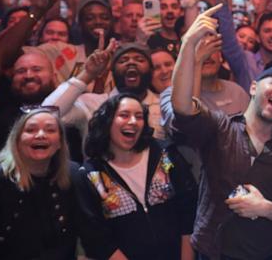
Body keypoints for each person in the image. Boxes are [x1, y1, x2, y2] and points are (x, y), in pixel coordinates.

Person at [165, 6, 272, 260]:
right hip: (215, 252)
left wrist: (266, 208)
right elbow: (183, 107)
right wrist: (188, 46)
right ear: (253, 87)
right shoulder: (221, 128)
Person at [73, 94, 197, 260]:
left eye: (139, 117)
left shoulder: (165, 155)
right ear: (107, 121)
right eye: (124, 115)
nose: (132, 121)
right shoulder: (90, 175)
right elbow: (97, 239)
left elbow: (188, 210)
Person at [0, 107, 79, 259]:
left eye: (50, 130)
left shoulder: (73, 175)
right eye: (31, 130)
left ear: (60, 142)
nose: (41, 135)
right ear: (16, 139)